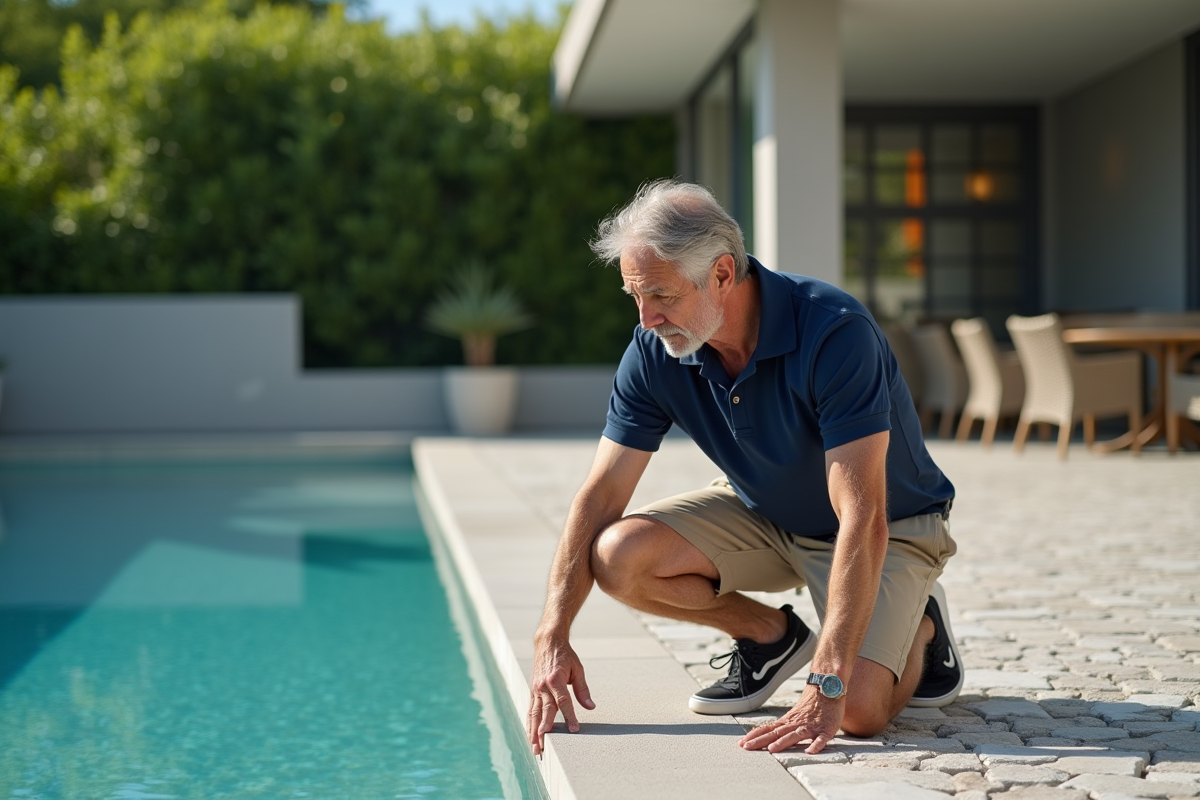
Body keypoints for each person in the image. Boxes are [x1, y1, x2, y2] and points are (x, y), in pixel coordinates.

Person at [526, 180, 961, 758]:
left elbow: (864, 513)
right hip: (764, 513)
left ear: (723, 274)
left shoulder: (834, 332)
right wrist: (552, 635)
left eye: (660, 294)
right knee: (616, 556)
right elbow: (601, 493)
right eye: (633, 294)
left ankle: (921, 625)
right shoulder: (656, 350)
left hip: (890, 527)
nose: (646, 317)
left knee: (854, 709)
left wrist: (828, 678)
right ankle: (770, 636)